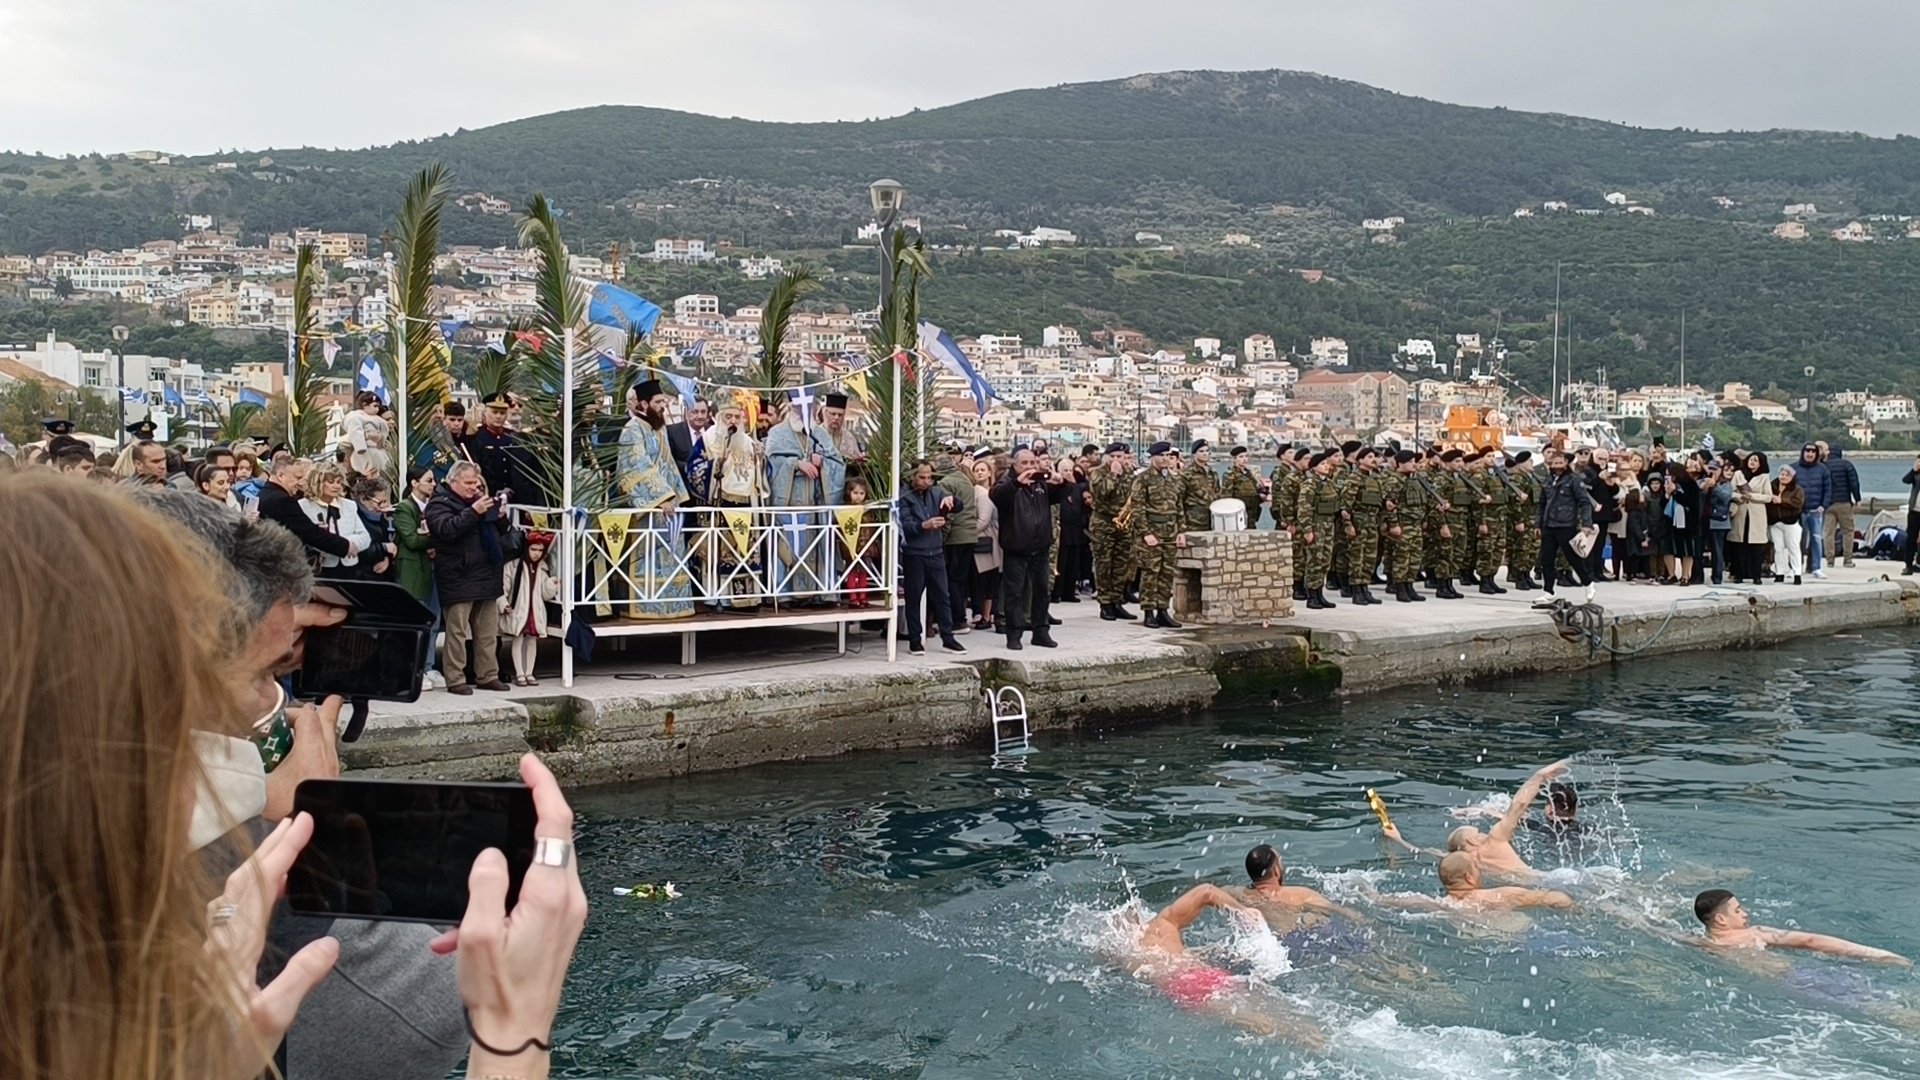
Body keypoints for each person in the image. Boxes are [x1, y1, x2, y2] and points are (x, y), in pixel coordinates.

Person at [0, 473, 588, 1080]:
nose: (273, 701)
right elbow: (434, 1016)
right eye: (266, 673)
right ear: (142, 696)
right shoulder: (208, 930)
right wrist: (515, 1032)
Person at [1113, 883, 1325, 1045]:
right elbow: (1206, 890)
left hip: (1187, 989)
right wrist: (1243, 911)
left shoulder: (1124, 955)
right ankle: (1322, 1038)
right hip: (1209, 974)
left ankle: (1313, 1043)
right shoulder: (1162, 925)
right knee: (1284, 1011)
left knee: (1264, 1024)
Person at [1382, 759, 1570, 880]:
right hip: (1555, 880)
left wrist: (1396, 838)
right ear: (1472, 841)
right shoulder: (1493, 843)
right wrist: (1539, 777)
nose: (1483, 833)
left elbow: (1419, 851)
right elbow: (1518, 806)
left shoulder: (1464, 862)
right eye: (1478, 832)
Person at [613, 380, 696, 619]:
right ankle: (648, 606)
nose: (663, 406)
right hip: (650, 509)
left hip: (669, 508)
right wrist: (660, 498)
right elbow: (635, 466)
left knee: (671, 555)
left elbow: (668, 465)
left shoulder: (659, 429)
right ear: (643, 403)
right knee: (649, 557)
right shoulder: (632, 429)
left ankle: (673, 605)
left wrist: (679, 497)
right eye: (659, 402)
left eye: (663, 402)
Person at [429, 461, 513, 694]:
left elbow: (500, 531)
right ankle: (455, 679)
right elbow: (447, 530)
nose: (474, 487)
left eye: (476, 482)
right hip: (459, 574)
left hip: (487, 572)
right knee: (456, 632)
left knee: (487, 631)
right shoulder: (439, 503)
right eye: (468, 483)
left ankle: (488, 675)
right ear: (452, 481)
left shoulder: (479, 500)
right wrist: (474, 511)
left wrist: (501, 516)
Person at [1693, 889, 1909, 965]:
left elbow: (1666, 933)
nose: (1746, 914)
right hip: (1803, 978)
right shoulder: (1754, 934)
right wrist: (1877, 955)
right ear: (1721, 920)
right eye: (1738, 910)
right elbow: (1810, 941)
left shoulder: (1704, 945)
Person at [1371, 853, 1575, 931]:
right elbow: (1557, 898)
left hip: (1474, 943)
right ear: (1469, 877)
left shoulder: (1438, 904)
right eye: (1477, 868)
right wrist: (1577, 911)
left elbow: (1388, 901)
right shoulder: (1500, 895)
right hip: (1524, 941)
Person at [991, 446, 1066, 650]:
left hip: (1040, 546)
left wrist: (1061, 483)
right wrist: (1017, 483)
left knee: (1042, 591)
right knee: (1015, 593)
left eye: (1033, 462)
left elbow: (1059, 497)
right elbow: (996, 497)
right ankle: (1014, 635)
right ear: (1014, 465)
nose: (1030, 466)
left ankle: (1041, 632)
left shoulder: (1041, 482)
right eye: (1025, 463)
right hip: (1016, 547)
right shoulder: (1006, 482)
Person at [897, 459, 965, 656]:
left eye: (929, 478)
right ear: (912, 477)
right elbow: (905, 526)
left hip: (935, 552)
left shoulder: (937, 492)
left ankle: (948, 638)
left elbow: (959, 506)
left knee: (943, 596)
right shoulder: (904, 496)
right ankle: (915, 639)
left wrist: (952, 500)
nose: (927, 481)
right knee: (914, 598)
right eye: (922, 477)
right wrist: (923, 526)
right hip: (915, 554)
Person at [259, 457, 359, 567]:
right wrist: (344, 546)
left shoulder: (266, 494)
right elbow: (308, 531)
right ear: (281, 476)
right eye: (297, 477)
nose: (301, 482)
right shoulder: (280, 500)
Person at [1128, 441, 1187, 627]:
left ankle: (1163, 609)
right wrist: (1145, 533)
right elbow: (1137, 509)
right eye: (1161, 455)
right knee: (1150, 573)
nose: (1165, 459)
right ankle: (1148, 612)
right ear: (1152, 457)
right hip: (1152, 532)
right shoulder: (1143, 479)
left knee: (1167, 573)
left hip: (1170, 533)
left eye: (1168, 455)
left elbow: (1179, 508)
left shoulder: (1174, 479)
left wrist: (1182, 531)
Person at [1532, 448, 1595, 605]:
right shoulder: (1548, 480)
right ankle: (1548, 591)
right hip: (1549, 525)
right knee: (1547, 559)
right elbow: (1542, 504)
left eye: (1560, 462)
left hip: (1566, 524)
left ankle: (1588, 583)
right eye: (1555, 463)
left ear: (1566, 463)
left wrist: (1587, 523)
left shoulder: (1573, 480)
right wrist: (1538, 524)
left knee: (1573, 558)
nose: (1558, 465)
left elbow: (1584, 502)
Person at [501, 530, 559, 686]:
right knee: (518, 639)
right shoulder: (512, 566)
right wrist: (503, 604)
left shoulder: (542, 568)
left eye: (540, 550)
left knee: (532, 641)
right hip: (518, 609)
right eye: (533, 549)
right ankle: (520, 673)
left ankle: (529, 672)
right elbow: (503, 588)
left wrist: (551, 585)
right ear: (526, 548)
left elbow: (545, 594)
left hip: (534, 610)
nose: (537, 554)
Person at [299, 462, 377, 579]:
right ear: (318, 482)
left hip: (349, 567)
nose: (336, 486)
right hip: (320, 568)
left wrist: (346, 544)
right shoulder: (303, 506)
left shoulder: (349, 505)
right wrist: (336, 545)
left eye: (339, 482)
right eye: (331, 482)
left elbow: (365, 537)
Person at [1089, 442, 1137, 621]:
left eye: (1120, 457)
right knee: (1104, 564)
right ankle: (1105, 603)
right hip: (1103, 523)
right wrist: (1114, 474)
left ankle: (1117, 601)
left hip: (1123, 523)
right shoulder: (1098, 473)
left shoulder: (1129, 474)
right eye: (1113, 457)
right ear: (1107, 457)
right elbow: (1102, 493)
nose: (1117, 460)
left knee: (1121, 564)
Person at [937, 448, 981, 633]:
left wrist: (943, 536)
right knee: (961, 580)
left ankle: (958, 621)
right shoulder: (965, 479)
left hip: (955, 536)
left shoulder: (945, 483)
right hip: (970, 534)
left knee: (952, 580)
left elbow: (950, 514)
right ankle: (961, 617)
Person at [1728, 451, 1773, 584]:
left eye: (1756, 460)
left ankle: (1756, 575)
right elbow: (1730, 492)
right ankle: (1739, 574)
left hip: (1756, 513)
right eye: (1751, 459)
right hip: (1741, 511)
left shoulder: (1764, 477)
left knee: (1756, 546)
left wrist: (1752, 496)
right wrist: (1740, 496)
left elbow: (1768, 497)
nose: (1752, 462)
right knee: (1739, 544)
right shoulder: (1739, 474)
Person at [971, 456, 1002, 630]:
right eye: (976, 470)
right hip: (984, 537)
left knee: (987, 578)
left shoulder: (988, 492)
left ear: (990, 472)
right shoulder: (975, 491)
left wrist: (968, 533)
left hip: (988, 538)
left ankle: (986, 615)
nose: (979, 473)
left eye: (983, 469)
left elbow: (983, 520)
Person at [351, 475, 397, 582]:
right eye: (380, 502)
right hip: (360, 578)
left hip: (380, 577)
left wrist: (387, 559)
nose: (385, 506)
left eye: (386, 501)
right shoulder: (352, 517)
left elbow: (388, 542)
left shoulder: (381, 517)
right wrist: (383, 548)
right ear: (363, 499)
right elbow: (355, 549)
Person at [1821, 443, 1861, 568]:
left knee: (1829, 533)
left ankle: (1830, 560)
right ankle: (1847, 560)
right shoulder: (1847, 465)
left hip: (1828, 504)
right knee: (1848, 532)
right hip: (1844, 502)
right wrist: (1858, 499)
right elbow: (1854, 483)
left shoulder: (1823, 466)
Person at [1795, 443, 1832, 578]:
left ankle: (1816, 567)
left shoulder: (1823, 469)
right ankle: (1796, 567)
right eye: (1807, 451)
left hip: (1816, 510)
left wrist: (1824, 505)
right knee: (1798, 540)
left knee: (1816, 539)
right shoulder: (1794, 468)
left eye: (1813, 451)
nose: (1810, 454)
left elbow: (1828, 489)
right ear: (1803, 452)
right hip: (1799, 511)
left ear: (1817, 454)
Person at [1770, 464, 1807, 585]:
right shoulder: (1772, 486)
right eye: (1782, 474)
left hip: (1791, 521)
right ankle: (1779, 573)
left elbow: (1798, 503)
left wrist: (1782, 501)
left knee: (1793, 547)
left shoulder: (1797, 489)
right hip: (1775, 521)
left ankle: (1797, 573)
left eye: (1787, 475)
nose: (1784, 477)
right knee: (1778, 548)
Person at [342, 391, 392, 477]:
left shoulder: (378, 419)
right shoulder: (355, 417)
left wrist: (382, 439)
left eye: (378, 407)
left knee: (383, 471)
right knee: (368, 470)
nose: (377, 409)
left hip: (378, 449)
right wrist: (362, 445)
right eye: (375, 406)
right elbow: (355, 432)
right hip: (364, 450)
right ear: (365, 405)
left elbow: (384, 430)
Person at [1223, 445, 1262, 528]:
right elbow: (1226, 496)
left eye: (1246, 456)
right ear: (1234, 459)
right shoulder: (1230, 474)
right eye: (1241, 457)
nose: (1244, 459)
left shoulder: (1249, 474)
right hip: (1238, 514)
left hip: (1251, 514)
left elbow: (1254, 492)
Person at [1902, 454, 1920, 576]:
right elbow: (1905, 480)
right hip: (1915, 510)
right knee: (1911, 538)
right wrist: (1914, 470)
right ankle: (1908, 565)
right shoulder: (1916, 474)